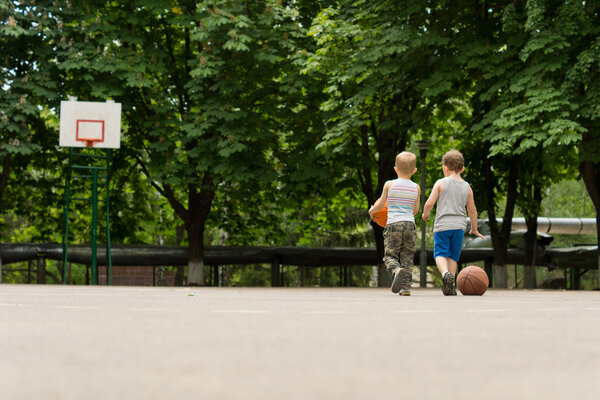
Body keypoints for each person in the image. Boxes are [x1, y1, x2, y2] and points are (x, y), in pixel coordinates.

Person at [422, 149, 485, 295]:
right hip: (458, 227)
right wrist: (474, 228)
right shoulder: (467, 187)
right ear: (462, 168)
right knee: (453, 257)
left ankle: (445, 275)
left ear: (445, 167)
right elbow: (473, 210)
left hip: (442, 226)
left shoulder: (441, 183)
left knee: (440, 254)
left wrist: (426, 214)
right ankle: (450, 286)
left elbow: (429, 203)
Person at [369, 151, 420, 296]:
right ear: (414, 170)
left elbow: (380, 205)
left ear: (395, 169)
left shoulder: (389, 184)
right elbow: (415, 210)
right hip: (410, 224)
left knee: (390, 256)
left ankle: (396, 270)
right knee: (407, 256)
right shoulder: (416, 187)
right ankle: (406, 289)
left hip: (393, 224)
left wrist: (372, 211)